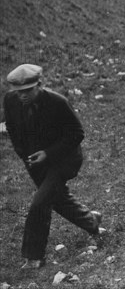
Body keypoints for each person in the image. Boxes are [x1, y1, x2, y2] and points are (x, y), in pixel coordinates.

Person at [3, 64, 103, 270]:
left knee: (40, 202)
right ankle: (91, 220)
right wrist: (25, 155)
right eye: (18, 91)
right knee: (55, 198)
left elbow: (77, 134)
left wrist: (48, 154)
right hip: (35, 162)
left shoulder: (58, 102)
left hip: (64, 160)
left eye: (28, 91)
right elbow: (12, 128)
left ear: (39, 85)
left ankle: (33, 257)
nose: (22, 96)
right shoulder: (10, 101)